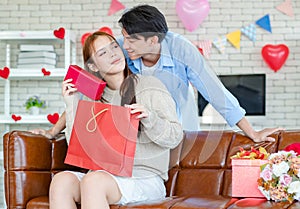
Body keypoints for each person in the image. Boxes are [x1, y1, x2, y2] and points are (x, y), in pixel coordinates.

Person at [31, 4, 281, 143]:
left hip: (177, 130)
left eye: (129, 40)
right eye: (123, 38)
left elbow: (216, 92)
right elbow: (84, 86)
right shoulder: (123, 49)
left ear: (153, 40)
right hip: (135, 135)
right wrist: (53, 131)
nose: (123, 45)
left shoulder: (182, 50)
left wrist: (253, 133)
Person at [49, 31, 183, 209]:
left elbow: (175, 136)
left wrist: (150, 118)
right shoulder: (93, 98)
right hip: (102, 175)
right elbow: (79, 145)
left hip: (144, 177)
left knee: (94, 181)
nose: (113, 53)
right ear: (93, 66)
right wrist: (71, 103)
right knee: (61, 181)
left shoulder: (150, 86)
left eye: (114, 47)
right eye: (103, 53)